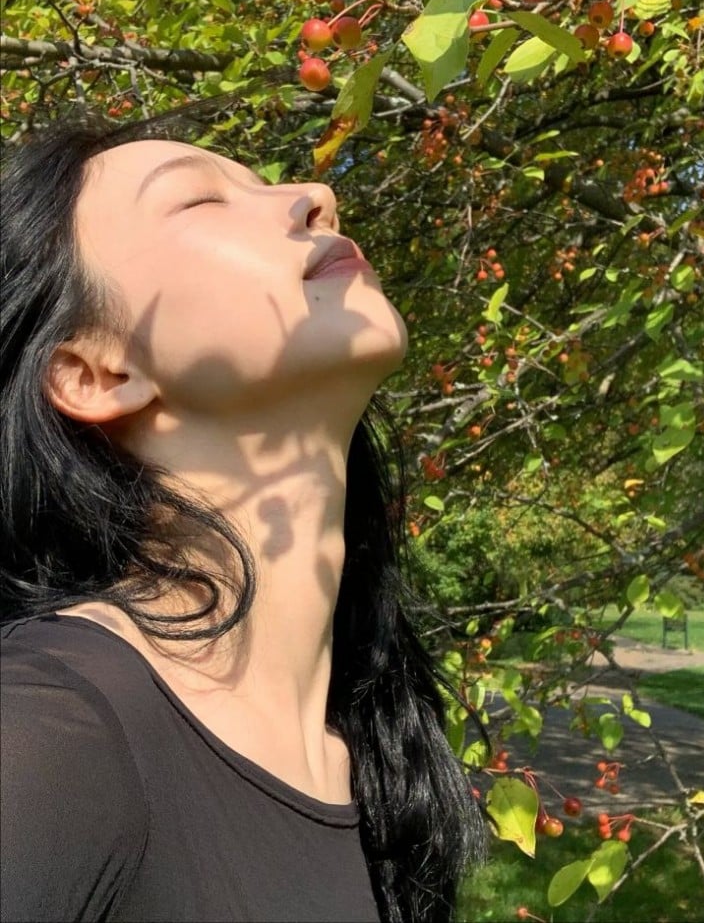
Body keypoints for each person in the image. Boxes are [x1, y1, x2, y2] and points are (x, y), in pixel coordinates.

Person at [0, 115, 487, 923]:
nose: (316, 195)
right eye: (199, 199)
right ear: (95, 373)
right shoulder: (53, 724)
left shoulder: (373, 762)